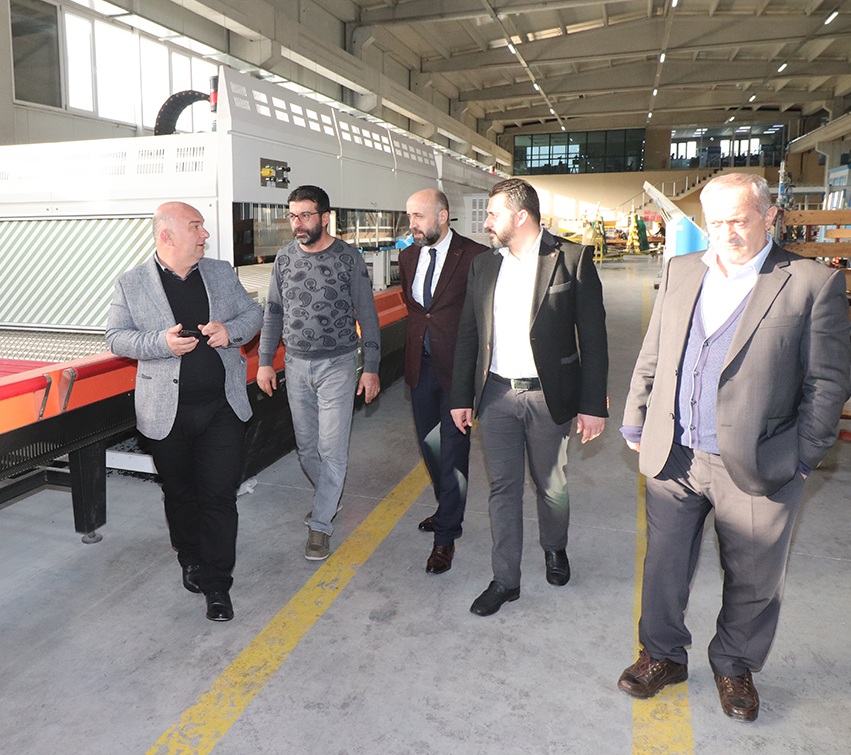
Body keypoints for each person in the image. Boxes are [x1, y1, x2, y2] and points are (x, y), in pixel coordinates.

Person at [617, 173, 851, 722]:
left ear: (769, 217)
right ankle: (662, 654)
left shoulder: (811, 282)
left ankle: (734, 664)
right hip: (675, 453)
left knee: (753, 576)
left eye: (739, 220)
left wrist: (802, 456)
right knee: (664, 565)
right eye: (716, 222)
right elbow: (655, 351)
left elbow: (828, 383)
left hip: (759, 458)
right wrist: (636, 416)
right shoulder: (681, 270)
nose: (726, 233)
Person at [450, 177, 608, 616]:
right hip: (497, 395)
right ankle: (506, 580)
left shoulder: (571, 259)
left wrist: (592, 405)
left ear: (521, 217)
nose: (486, 223)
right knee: (503, 488)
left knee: (551, 485)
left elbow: (594, 339)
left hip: (547, 397)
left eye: (493, 214)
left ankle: (554, 546)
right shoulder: (484, 266)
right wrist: (462, 396)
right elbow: (468, 334)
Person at [106, 202, 263, 622]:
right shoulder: (132, 283)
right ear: (167, 236)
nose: (204, 234)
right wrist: (161, 343)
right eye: (195, 226)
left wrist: (231, 331)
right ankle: (190, 556)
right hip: (165, 413)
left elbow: (253, 313)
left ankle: (217, 584)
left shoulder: (220, 272)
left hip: (221, 407)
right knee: (180, 494)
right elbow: (116, 337)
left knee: (219, 495)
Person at [256, 185, 381, 562]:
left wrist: (371, 368)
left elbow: (367, 314)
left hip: (338, 365)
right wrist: (265, 360)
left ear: (325, 217)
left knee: (331, 449)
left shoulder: (348, 257)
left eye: (306, 215)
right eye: (293, 216)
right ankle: (330, 495)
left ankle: (321, 524)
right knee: (307, 448)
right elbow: (273, 311)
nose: (298, 223)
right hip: (295, 365)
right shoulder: (284, 258)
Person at [399, 188, 488, 574]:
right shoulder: (408, 257)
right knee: (430, 447)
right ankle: (446, 507)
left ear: (442, 216)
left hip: (459, 370)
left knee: (453, 452)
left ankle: (446, 536)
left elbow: (485, 315)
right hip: (420, 367)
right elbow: (418, 311)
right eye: (409, 216)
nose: (412, 224)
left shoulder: (475, 256)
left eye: (418, 216)